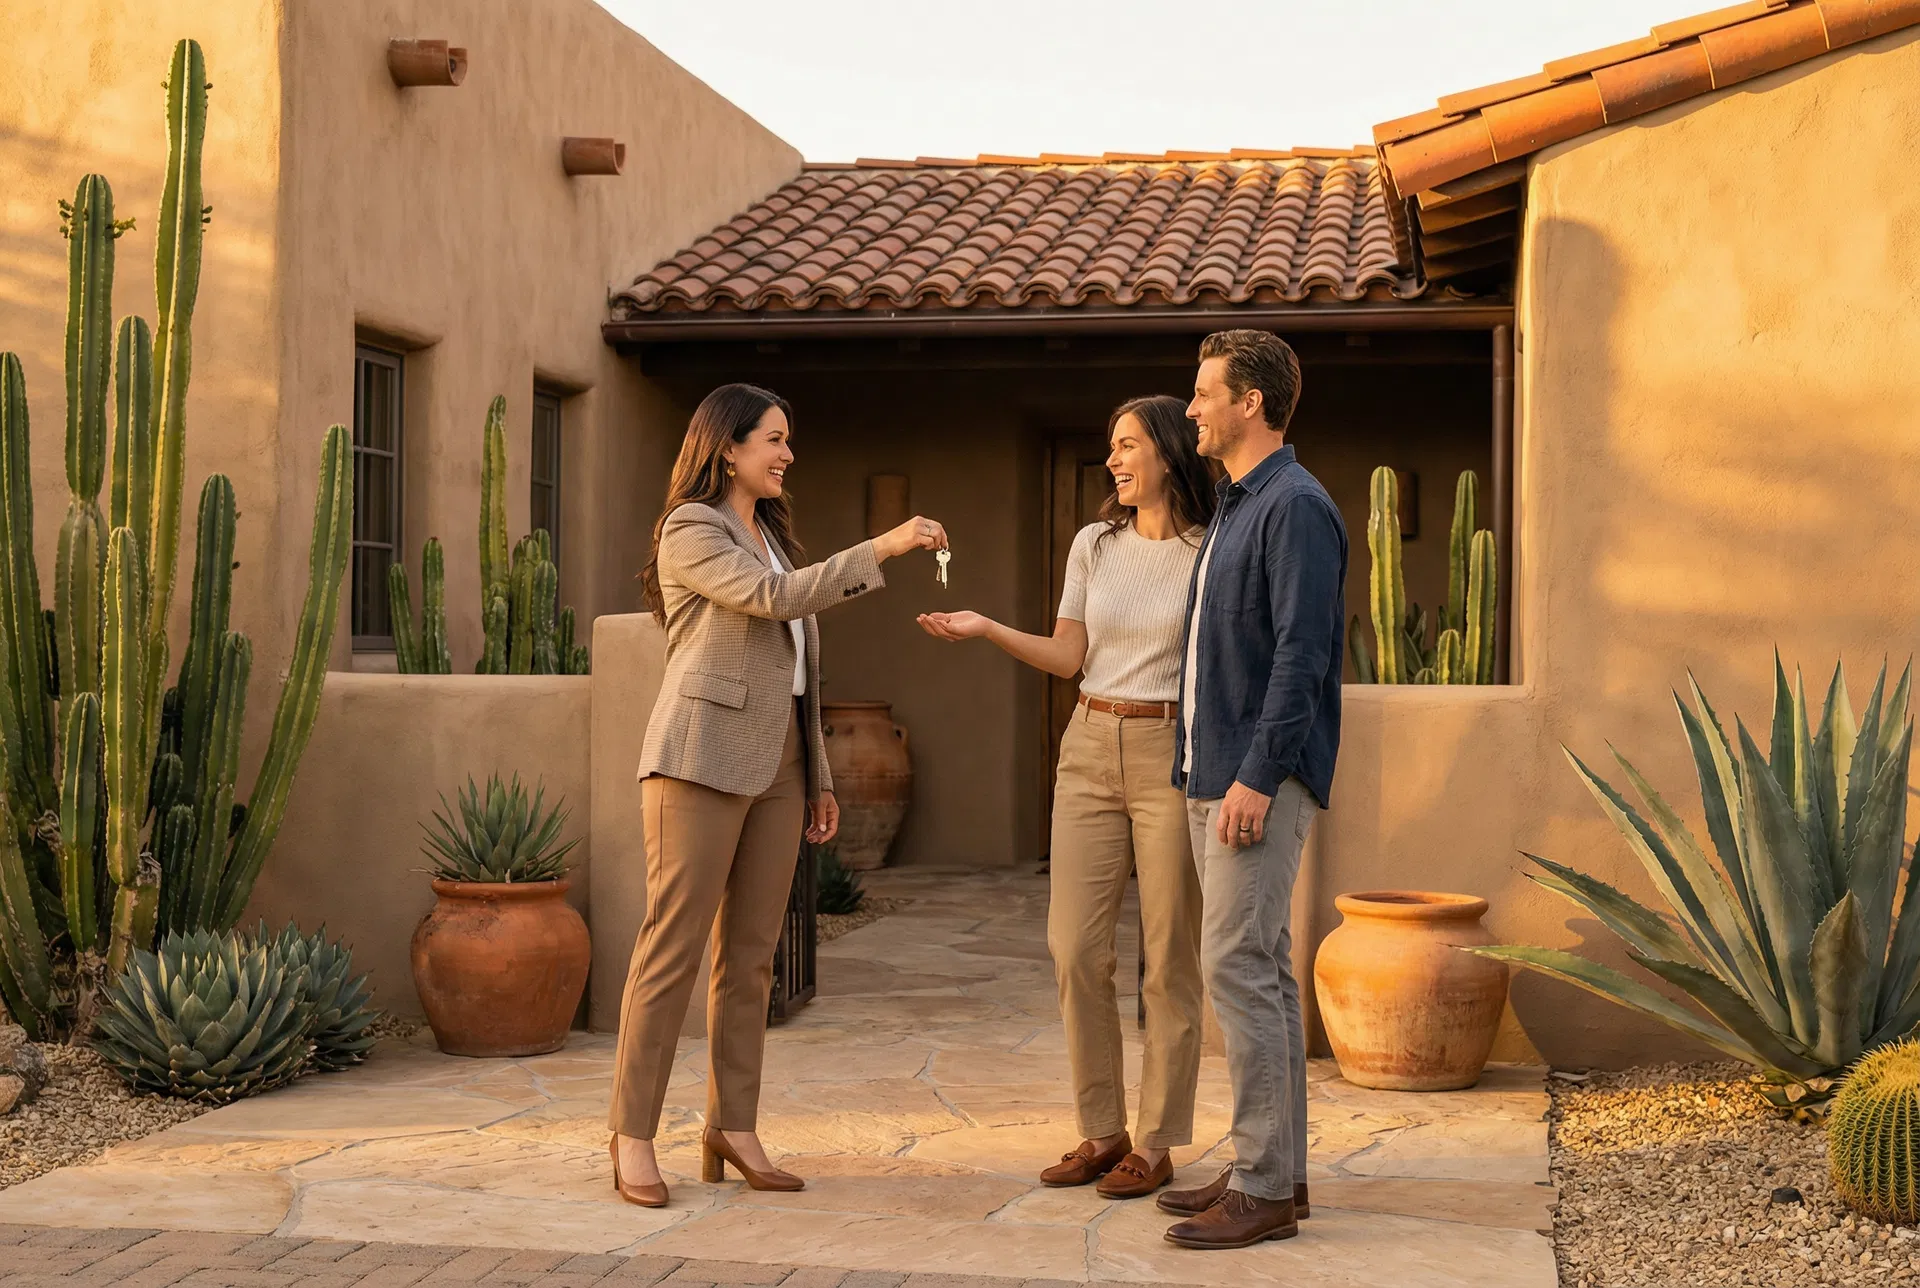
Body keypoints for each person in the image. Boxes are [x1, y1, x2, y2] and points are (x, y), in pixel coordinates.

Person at [609, 382, 948, 1207]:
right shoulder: (692, 529)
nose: (787, 454)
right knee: (672, 950)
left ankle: (734, 1125)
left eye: (788, 440)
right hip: (698, 760)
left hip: (779, 772)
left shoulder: (773, 539)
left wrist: (819, 778)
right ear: (727, 448)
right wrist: (888, 545)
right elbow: (771, 604)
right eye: (773, 439)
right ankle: (631, 1137)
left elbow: (800, 674)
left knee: (753, 959)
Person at [918, 395, 1217, 1199]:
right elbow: (1067, 653)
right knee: (1074, 949)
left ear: (1167, 453)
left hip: (1169, 752)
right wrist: (986, 628)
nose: (1114, 460)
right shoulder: (1095, 543)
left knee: (1170, 958)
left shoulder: (1210, 548)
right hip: (1087, 745)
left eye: (1126, 446)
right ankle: (1101, 1129)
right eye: (1110, 448)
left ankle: (1155, 1142)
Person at [1157, 330, 1347, 1250]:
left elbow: (1303, 657)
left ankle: (1265, 1188)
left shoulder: (1295, 507)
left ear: (1251, 404)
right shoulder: (1239, 505)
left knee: (1236, 967)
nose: (1190, 408)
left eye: (1203, 394)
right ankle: (1273, 1170)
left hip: (1252, 779)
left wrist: (1256, 777)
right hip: (1216, 769)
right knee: (1259, 972)